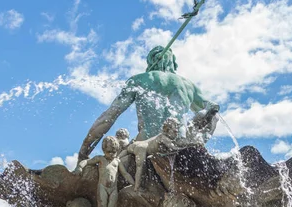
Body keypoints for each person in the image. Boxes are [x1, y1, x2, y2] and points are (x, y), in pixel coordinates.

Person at [77, 46, 219, 164]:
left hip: (146, 145)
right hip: (180, 144)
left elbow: (109, 116)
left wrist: (85, 146)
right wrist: (201, 138)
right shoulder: (188, 85)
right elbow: (213, 110)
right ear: (172, 63)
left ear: (150, 61)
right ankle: (194, 145)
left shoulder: (139, 80)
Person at [78, 136, 135, 207]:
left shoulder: (117, 161)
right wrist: (79, 167)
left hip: (113, 189)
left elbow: (125, 174)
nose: (112, 154)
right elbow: (86, 161)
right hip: (102, 187)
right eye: (109, 152)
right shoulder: (100, 159)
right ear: (104, 150)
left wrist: (134, 184)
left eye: (114, 152)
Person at [121, 117, 181, 192]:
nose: (177, 132)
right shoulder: (163, 137)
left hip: (137, 144)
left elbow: (126, 150)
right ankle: (137, 188)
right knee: (140, 167)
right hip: (142, 148)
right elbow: (174, 148)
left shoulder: (161, 136)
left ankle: (117, 157)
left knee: (127, 151)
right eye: (175, 130)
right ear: (168, 129)